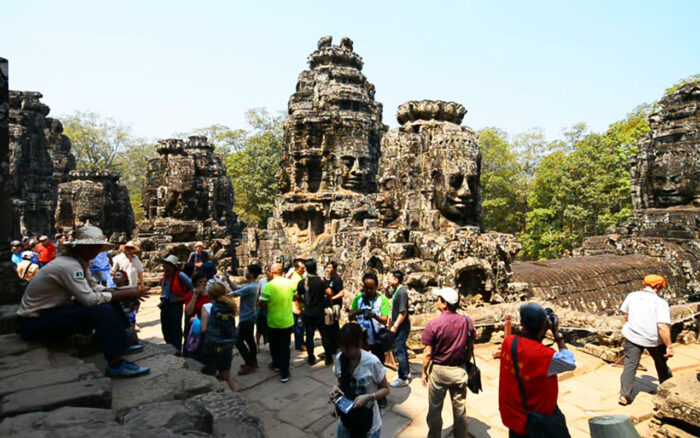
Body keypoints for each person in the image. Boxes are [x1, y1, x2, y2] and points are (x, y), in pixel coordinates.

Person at [16, 225, 150, 377]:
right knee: (102, 311)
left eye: (98, 248)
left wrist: (123, 291)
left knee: (109, 302)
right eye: (92, 248)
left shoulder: (79, 263)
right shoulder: (68, 266)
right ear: (81, 248)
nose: (96, 252)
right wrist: (125, 294)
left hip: (49, 313)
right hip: (34, 321)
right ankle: (115, 363)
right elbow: (90, 299)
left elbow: (94, 287)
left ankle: (122, 342)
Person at [499, 303, 576, 438]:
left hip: (514, 415)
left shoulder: (508, 342)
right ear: (545, 326)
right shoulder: (545, 355)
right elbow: (570, 362)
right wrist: (557, 335)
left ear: (522, 322)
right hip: (538, 421)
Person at [421, 288, 475, 438]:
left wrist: (424, 371)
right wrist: (466, 362)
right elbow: (470, 346)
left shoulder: (434, 324)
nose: (436, 302)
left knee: (435, 409)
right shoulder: (466, 321)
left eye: (438, 299)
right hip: (458, 370)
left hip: (439, 370)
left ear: (445, 304)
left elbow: (427, 353)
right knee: (460, 410)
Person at [618, 274, 674, 406]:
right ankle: (668, 389)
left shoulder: (632, 296)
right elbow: (662, 326)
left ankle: (624, 395)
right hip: (653, 339)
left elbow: (626, 315)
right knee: (661, 363)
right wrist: (669, 346)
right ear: (658, 287)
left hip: (633, 335)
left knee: (630, 365)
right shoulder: (660, 303)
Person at [329, 323, 390, 438]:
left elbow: (386, 389)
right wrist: (336, 388)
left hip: (367, 423)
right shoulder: (340, 358)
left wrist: (369, 397)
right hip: (346, 420)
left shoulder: (372, 362)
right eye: (342, 345)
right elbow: (340, 381)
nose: (344, 349)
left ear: (358, 343)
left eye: (348, 346)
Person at [260, 263, 295, 382]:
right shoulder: (290, 283)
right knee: (285, 346)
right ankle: (285, 372)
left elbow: (263, 303)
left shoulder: (268, 286)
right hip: (287, 321)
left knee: (274, 345)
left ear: (271, 272)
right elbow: (295, 297)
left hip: (273, 321)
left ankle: (276, 365)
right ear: (282, 272)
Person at [200, 278, 238, 391]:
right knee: (227, 375)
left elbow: (203, 329)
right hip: (227, 345)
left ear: (210, 293)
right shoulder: (230, 306)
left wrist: (195, 321)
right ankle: (234, 397)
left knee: (211, 375)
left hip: (212, 345)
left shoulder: (207, 307)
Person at [349, 271, 390, 364]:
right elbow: (350, 316)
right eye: (366, 288)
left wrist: (374, 315)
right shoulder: (358, 299)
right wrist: (358, 312)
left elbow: (384, 320)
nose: (368, 291)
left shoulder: (382, 300)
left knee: (378, 364)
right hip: (362, 339)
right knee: (361, 364)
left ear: (376, 287)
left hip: (377, 339)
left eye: (371, 288)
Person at [297, 258, 332, 365]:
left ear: (306, 269)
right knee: (324, 335)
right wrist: (324, 297)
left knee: (309, 336)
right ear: (316, 268)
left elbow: (298, 297)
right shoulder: (321, 281)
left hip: (308, 312)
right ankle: (329, 357)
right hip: (319, 311)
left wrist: (305, 301)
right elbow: (330, 293)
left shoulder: (302, 282)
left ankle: (311, 358)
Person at [230, 264, 262, 375]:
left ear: (252, 274)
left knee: (238, 341)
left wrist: (218, 294)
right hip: (250, 316)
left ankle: (249, 363)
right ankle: (253, 361)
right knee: (249, 340)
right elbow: (237, 288)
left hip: (246, 318)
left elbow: (234, 293)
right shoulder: (251, 285)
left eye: (247, 271)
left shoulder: (250, 287)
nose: (245, 273)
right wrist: (228, 280)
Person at [159, 255, 193, 353]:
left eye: (168, 264)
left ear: (173, 266)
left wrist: (183, 298)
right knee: (165, 327)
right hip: (165, 304)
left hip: (175, 305)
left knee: (175, 328)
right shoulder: (165, 276)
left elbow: (192, 286)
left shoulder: (180, 275)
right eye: (165, 264)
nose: (165, 267)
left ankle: (177, 349)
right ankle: (169, 347)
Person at [388, 270, 411, 387]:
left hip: (401, 326)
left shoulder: (402, 292)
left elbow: (403, 312)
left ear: (396, 279)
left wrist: (395, 325)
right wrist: (386, 287)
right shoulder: (396, 290)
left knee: (399, 351)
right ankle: (406, 372)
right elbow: (388, 295)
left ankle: (403, 378)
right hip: (399, 326)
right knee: (402, 349)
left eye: (390, 277)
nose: (388, 279)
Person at [325, 261, 345, 356]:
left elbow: (342, 293)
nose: (327, 269)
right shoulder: (330, 279)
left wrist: (331, 298)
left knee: (333, 326)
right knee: (332, 326)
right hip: (331, 305)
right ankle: (336, 345)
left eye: (330, 267)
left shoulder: (337, 279)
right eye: (327, 267)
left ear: (334, 269)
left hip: (335, 305)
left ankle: (335, 346)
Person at [289, 258, 306, 351]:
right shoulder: (296, 279)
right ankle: (300, 344)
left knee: (300, 325)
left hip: (300, 305)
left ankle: (300, 342)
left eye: (304, 268)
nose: (304, 270)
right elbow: (295, 295)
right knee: (299, 326)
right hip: (297, 306)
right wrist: (298, 306)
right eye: (302, 268)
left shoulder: (299, 276)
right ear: (296, 268)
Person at [256, 264, 272, 347]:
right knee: (259, 325)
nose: (267, 272)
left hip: (270, 306)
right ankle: (258, 344)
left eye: (269, 270)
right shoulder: (262, 281)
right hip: (261, 305)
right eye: (266, 270)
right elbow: (258, 293)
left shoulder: (274, 282)